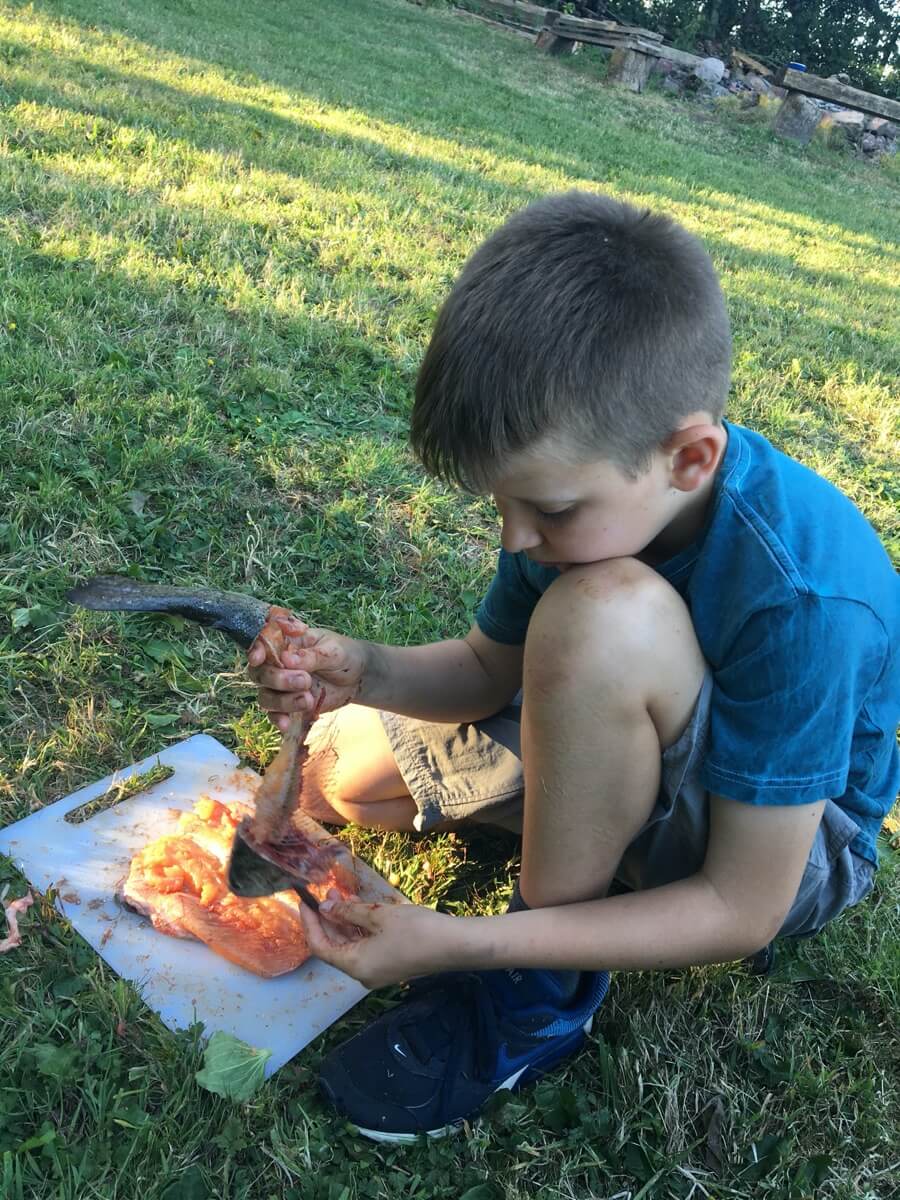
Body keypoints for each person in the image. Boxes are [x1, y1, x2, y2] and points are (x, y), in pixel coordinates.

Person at [247, 191, 900, 1144]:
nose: (517, 537)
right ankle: (598, 842)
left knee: (598, 616)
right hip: (636, 722)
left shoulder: (801, 595)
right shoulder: (589, 496)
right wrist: (363, 669)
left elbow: (741, 906)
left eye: (547, 511)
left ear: (689, 458)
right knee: (339, 776)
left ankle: (536, 1000)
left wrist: (463, 944)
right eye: (503, 504)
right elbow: (484, 669)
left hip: (792, 847)